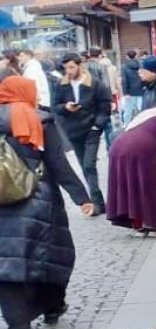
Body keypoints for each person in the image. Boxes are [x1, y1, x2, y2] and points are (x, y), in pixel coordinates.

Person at [0, 70, 95, 329]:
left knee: (7, 264)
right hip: (38, 200)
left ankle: (18, 327)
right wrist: (82, 197)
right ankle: (53, 306)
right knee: (52, 255)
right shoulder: (38, 119)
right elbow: (58, 163)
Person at [52, 54, 111, 217]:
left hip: (91, 129)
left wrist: (97, 125)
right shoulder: (61, 84)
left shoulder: (94, 84)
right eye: (66, 68)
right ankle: (97, 202)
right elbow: (55, 106)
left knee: (88, 165)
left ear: (80, 65)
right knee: (83, 166)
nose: (69, 71)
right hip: (73, 130)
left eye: (71, 67)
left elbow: (105, 106)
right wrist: (66, 107)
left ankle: (97, 202)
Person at [120, 49, 144, 125]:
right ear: (136, 56)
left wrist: (125, 92)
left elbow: (124, 80)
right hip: (141, 90)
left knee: (128, 110)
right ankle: (141, 124)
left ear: (127, 56)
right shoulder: (141, 64)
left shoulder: (124, 66)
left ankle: (127, 125)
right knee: (141, 109)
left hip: (130, 92)